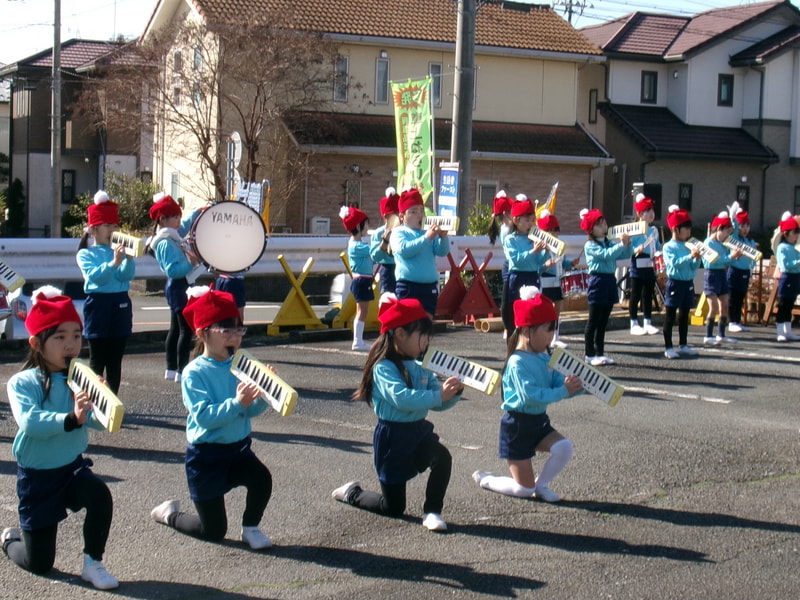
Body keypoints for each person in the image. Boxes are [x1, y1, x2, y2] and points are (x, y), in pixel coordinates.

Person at [1, 286, 119, 590]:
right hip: (38, 478)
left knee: (100, 496)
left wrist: (100, 399)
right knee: (39, 564)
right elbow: (30, 422)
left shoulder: (79, 379)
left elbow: (100, 423)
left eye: (76, 336)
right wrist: (71, 418)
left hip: (71, 469)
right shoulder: (23, 382)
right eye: (60, 337)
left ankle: (93, 563)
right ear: (36, 343)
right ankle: (10, 540)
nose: (71, 345)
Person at [150, 286, 274, 550]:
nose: (235, 337)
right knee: (213, 530)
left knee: (261, 479)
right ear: (202, 333)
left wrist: (262, 396)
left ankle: (251, 527)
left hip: (239, 451)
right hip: (206, 457)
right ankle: (169, 514)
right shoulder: (194, 372)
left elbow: (247, 411)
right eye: (226, 330)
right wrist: (237, 402)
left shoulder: (241, 365)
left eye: (239, 329)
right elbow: (205, 417)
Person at [330, 294, 464, 532]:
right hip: (393, 438)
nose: (426, 343)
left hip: (418, 433)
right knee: (393, 507)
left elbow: (437, 403)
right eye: (422, 337)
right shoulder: (383, 367)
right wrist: (438, 395)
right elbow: (401, 398)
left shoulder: (420, 365)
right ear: (400, 334)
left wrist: (453, 395)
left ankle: (432, 511)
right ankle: (352, 493)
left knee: (442, 458)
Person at [472, 286, 582, 502]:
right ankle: (487, 479)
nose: (552, 336)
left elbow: (557, 382)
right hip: (517, 427)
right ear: (526, 330)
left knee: (564, 447)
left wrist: (575, 386)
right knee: (523, 490)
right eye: (548, 330)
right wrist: (563, 391)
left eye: (553, 330)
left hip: (538, 422)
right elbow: (530, 396)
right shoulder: (517, 362)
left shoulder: (543, 357)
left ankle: (542, 486)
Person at [76, 190, 135, 395]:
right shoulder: (85, 253)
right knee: (97, 357)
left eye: (115, 225)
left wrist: (128, 259)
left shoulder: (117, 250)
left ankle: (112, 401)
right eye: (107, 225)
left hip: (120, 302)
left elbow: (125, 277)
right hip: (98, 304)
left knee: (115, 359)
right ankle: (92, 400)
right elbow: (96, 277)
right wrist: (114, 262)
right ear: (93, 229)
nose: (112, 229)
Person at [147, 192, 200, 382]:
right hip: (179, 286)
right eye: (175, 217)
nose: (179, 221)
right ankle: (181, 370)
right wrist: (191, 264)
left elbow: (183, 227)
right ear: (163, 219)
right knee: (185, 329)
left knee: (176, 329)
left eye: (179, 216)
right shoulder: (165, 242)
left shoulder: (168, 235)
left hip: (177, 287)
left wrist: (196, 213)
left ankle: (171, 368)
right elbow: (172, 270)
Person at [581, 208, 633, 366]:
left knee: (603, 321)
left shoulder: (608, 242)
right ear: (591, 229)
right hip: (598, 280)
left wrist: (628, 244)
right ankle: (589, 354)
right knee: (594, 319)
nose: (604, 226)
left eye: (604, 222)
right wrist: (620, 245)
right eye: (599, 224)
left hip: (610, 280)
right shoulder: (590, 245)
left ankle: (600, 353)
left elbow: (624, 254)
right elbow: (606, 255)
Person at [390, 188, 450, 317]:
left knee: (426, 326)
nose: (420, 215)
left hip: (429, 287)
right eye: (413, 211)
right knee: (409, 326)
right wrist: (427, 238)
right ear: (402, 216)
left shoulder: (427, 232)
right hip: (408, 287)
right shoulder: (399, 232)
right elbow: (404, 250)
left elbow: (442, 251)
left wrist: (443, 237)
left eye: (422, 211)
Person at [662, 205, 703, 359]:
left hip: (687, 283)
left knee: (685, 315)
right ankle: (668, 347)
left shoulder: (688, 245)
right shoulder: (668, 247)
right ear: (676, 229)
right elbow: (675, 263)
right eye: (685, 228)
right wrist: (690, 257)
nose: (688, 232)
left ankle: (683, 344)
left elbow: (691, 267)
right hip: (675, 283)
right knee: (670, 315)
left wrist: (697, 259)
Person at [503, 196, 547, 335]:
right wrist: (533, 251)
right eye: (527, 220)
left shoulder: (533, 238)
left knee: (532, 315)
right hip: (518, 277)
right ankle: (513, 348)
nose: (531, 223)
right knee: (516, 316)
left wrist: (545, 251)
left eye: (533, 220)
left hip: (533, 276)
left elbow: (539, 262)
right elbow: (516, 260)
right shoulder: (511, 239)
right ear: (516, 220)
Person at [536, 209, 579, 348]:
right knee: (545, 308)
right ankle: (543, 336)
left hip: (557, 278)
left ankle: (555, 336)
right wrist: (546, 265)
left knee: (557, 308)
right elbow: (537, 268)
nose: (554, 234)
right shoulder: (540, 247)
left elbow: (564, 263)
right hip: (545, 279)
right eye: (550, 231)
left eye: (556, 231)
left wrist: (571, 263)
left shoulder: (560, 247)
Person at [701, 211, 742, 346]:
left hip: (722, 275)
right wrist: (731, 257)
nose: (727, 236)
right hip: (711, 275)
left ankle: (721, 334)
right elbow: (713, 261)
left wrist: (735, 257)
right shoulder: (708, 243)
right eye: (726, 233)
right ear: (718, 229)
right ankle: (708, 335)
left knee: (724, 305)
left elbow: (725, 262)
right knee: (713, 307)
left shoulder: (723, 244)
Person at [341, 205, 373, 350]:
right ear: (359, 226)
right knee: (362, 311)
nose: (368, 226)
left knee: (362, 310)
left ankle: (358, 340)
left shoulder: (356, 244)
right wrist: (382, 241)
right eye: (366, 223)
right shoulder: (355, 245)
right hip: (361, 280)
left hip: (362, 280)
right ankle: (357, 341)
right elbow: (373, 250)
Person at [628, 194, 661, 336]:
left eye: (652, 210)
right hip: (638, 261)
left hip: (650, 262)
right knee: (635, 294)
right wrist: (637, 249)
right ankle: (633, 322)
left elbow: (657, 245)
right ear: (640, 214)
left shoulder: (654, 230)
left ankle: (648, 321)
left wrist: (660, 251)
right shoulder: (634, 229)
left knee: (648, 293)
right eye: (647, 211)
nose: (651, 214)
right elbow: (628, 248)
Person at [726, 203, 758, 333]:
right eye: (742, 226)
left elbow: (754, 257)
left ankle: (738, 321)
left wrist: (751, 267)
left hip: (745, 272)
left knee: (740, 298)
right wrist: (733, 218)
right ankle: (732, 321)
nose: (745, 229)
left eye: (747, 226)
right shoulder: (734, 239)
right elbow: (731, 232)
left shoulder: (750, 242)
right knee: (733, 297)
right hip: (734, 271)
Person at [488, 191, 514, 335]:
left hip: (512, 266)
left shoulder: (508, 228)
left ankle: (510, 326)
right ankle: (508, 327)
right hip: (510, 266)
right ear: (506, 213)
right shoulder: (506, 230)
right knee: (508, 299)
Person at [773, 211, 800, 342]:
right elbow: (786, 265)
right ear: (786, 233)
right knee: (783, 305)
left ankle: (788, 331)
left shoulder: (795, 247)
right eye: (795, 232)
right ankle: (780, 332)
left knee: (790, 304)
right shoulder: (782, 247)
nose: (797, 235)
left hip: (796, 277)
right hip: (787, 277)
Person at [370, 187, 399, 296]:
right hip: (387, 270)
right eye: (393, 214)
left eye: (398, 213)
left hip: (403, 269)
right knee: (387, 302)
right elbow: (374, 257)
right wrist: (384, 243)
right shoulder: (378, 233)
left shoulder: (404, 231)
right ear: (385, 216)